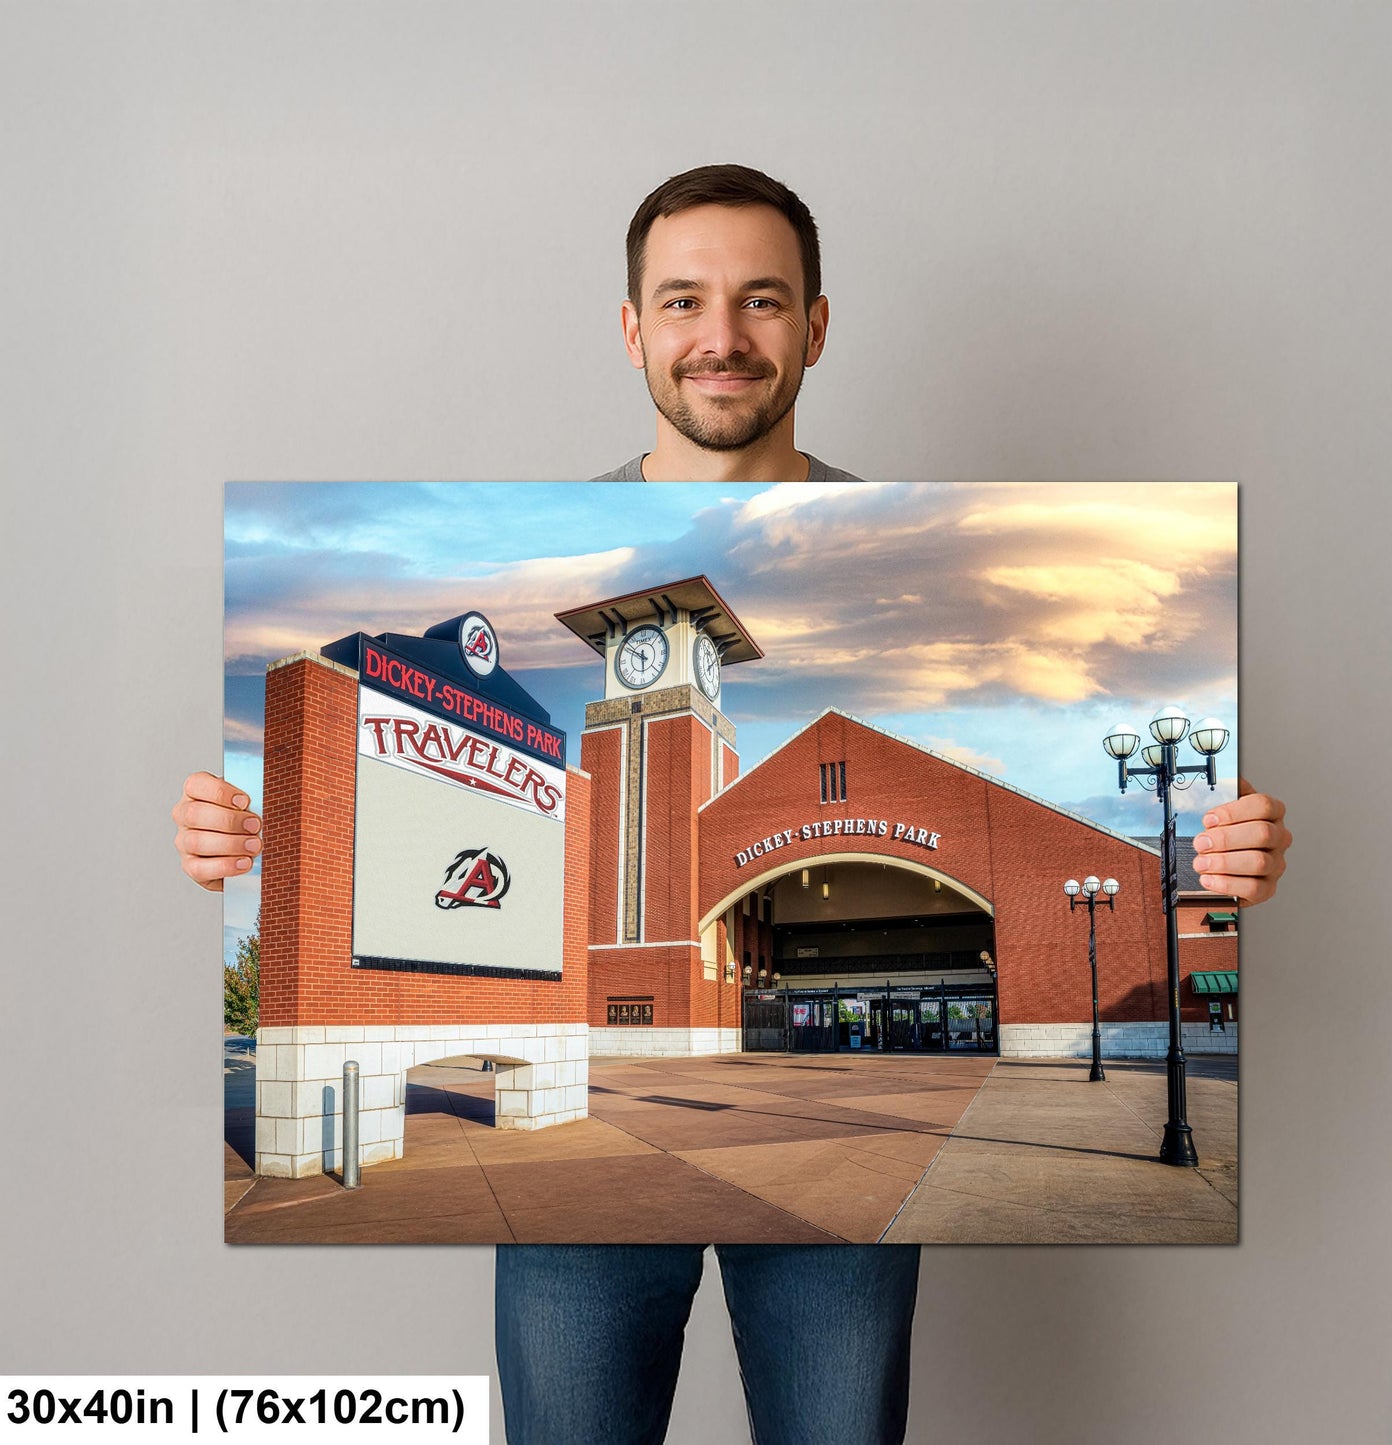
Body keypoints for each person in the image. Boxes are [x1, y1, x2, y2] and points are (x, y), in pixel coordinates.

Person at [174, 165, 1293, 1444]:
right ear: (632, 326)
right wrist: (245, 829)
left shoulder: (910, 534)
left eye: (761, 301)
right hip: (576, 1218)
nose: (721, 336)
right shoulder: (540, 543)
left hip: (831, 1235)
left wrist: (1222, 850)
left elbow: (1170, 832)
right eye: (684, 300)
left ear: (813, 326)